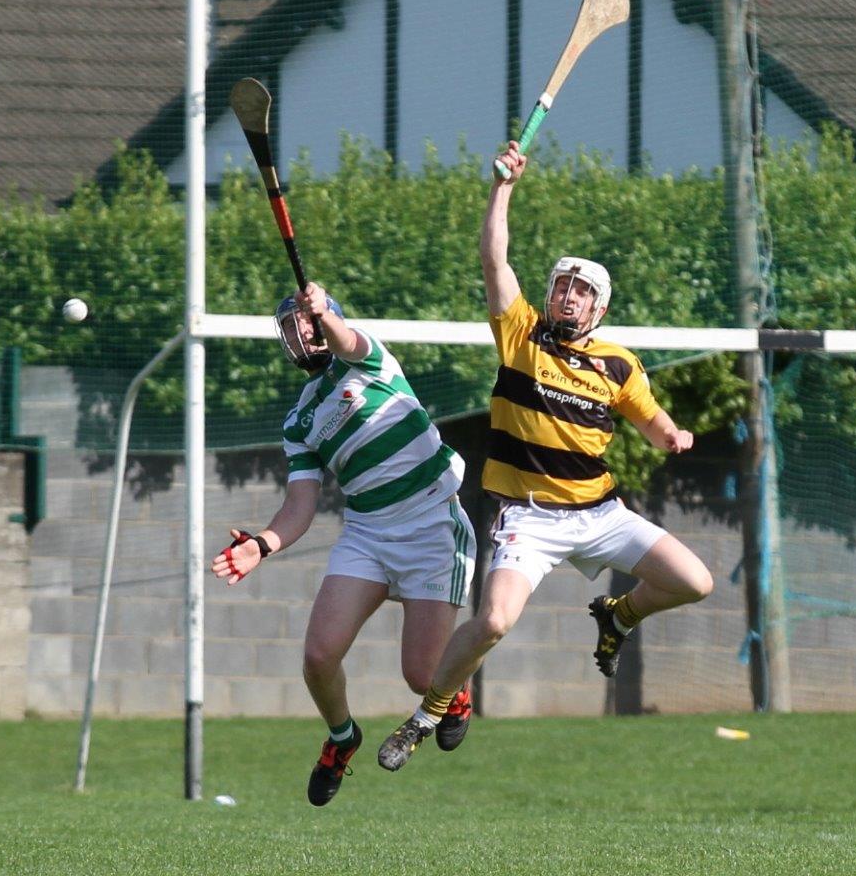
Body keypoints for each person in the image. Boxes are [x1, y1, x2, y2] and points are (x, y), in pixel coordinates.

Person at [377, 141, 713, 772]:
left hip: (601, 514)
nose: (568, 296)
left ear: (600, 308)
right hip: (527, 518)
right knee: (494, 623)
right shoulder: (521, 334)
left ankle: (620, 615)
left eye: (582, 292)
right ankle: (429, 713)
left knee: (695, 581)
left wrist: (672, 435)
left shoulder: (618, 363)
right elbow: (493, 258)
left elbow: (648, 414)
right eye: (562, 286)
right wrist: (503, 185)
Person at [212, 281, 476, 805]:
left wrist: (325, 314)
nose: (304, 332)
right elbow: (300, 506)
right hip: (368, 534)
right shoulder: (298, 420)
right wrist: (262, 545)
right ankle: (341, 739)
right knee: (318, 656)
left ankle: (454, 695)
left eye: (311, 321)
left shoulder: (367, 360)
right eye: (294, 327)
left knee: (421, 676)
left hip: (430, 523)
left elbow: (347, 340)